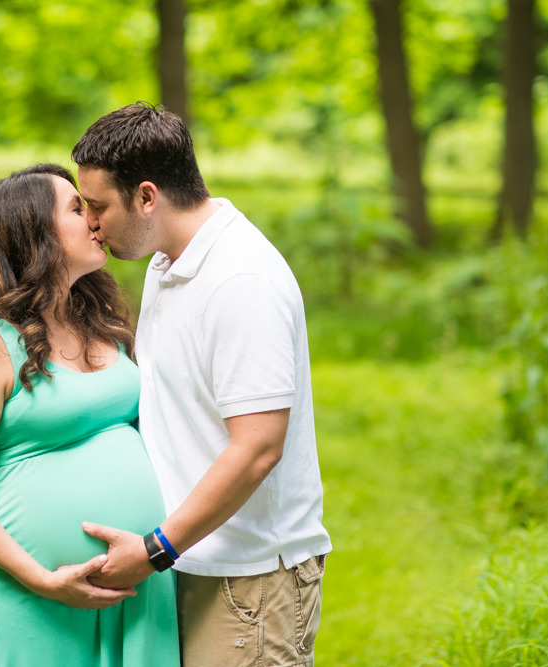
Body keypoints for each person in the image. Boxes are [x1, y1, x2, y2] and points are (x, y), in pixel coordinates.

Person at [71, 103, 333, 667]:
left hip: (248, 579)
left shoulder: (240, 279)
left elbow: (259, 447)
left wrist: (155, 549)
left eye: (97, 207)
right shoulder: (169, 261)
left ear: (147, 196)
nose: (90, 223)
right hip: (194, 560)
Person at [0, 163, 180, 667]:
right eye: (76, 207)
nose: (95, 219)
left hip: (133, 590)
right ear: (32, 234)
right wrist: (43, 578)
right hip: (24, 594)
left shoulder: (97, 319)